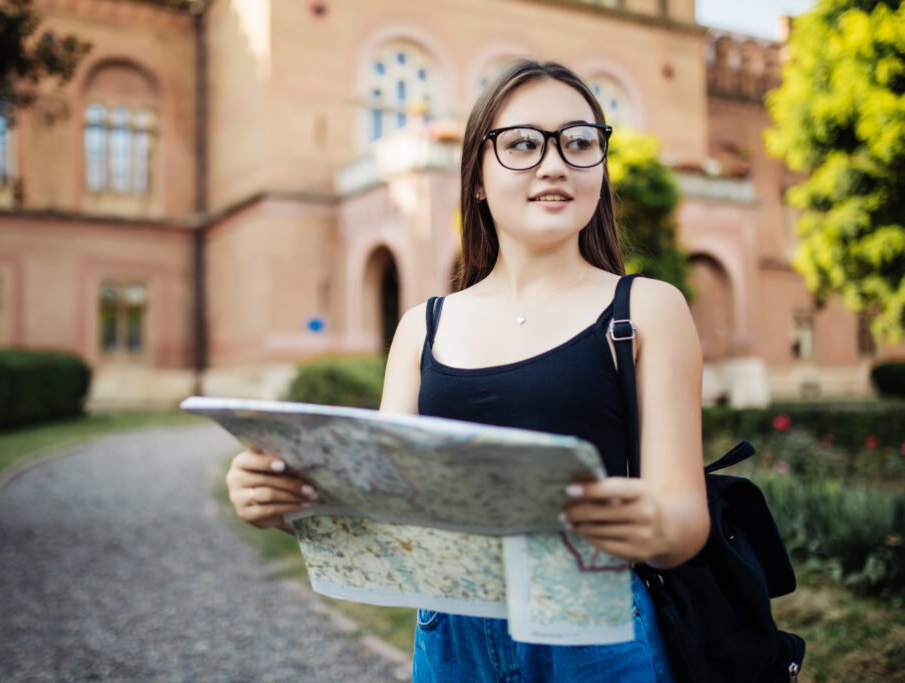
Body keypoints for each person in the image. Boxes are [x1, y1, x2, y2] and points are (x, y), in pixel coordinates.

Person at [225, 59, 708, 682]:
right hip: (450, 642)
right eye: (524, 144)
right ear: (477, 178)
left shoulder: (647, 308)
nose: (555, 163)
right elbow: (382, 512)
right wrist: (283, 502)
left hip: (597, 638)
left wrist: (655, 525)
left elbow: (685, 516)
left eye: (580, 142)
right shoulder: (421, 327)